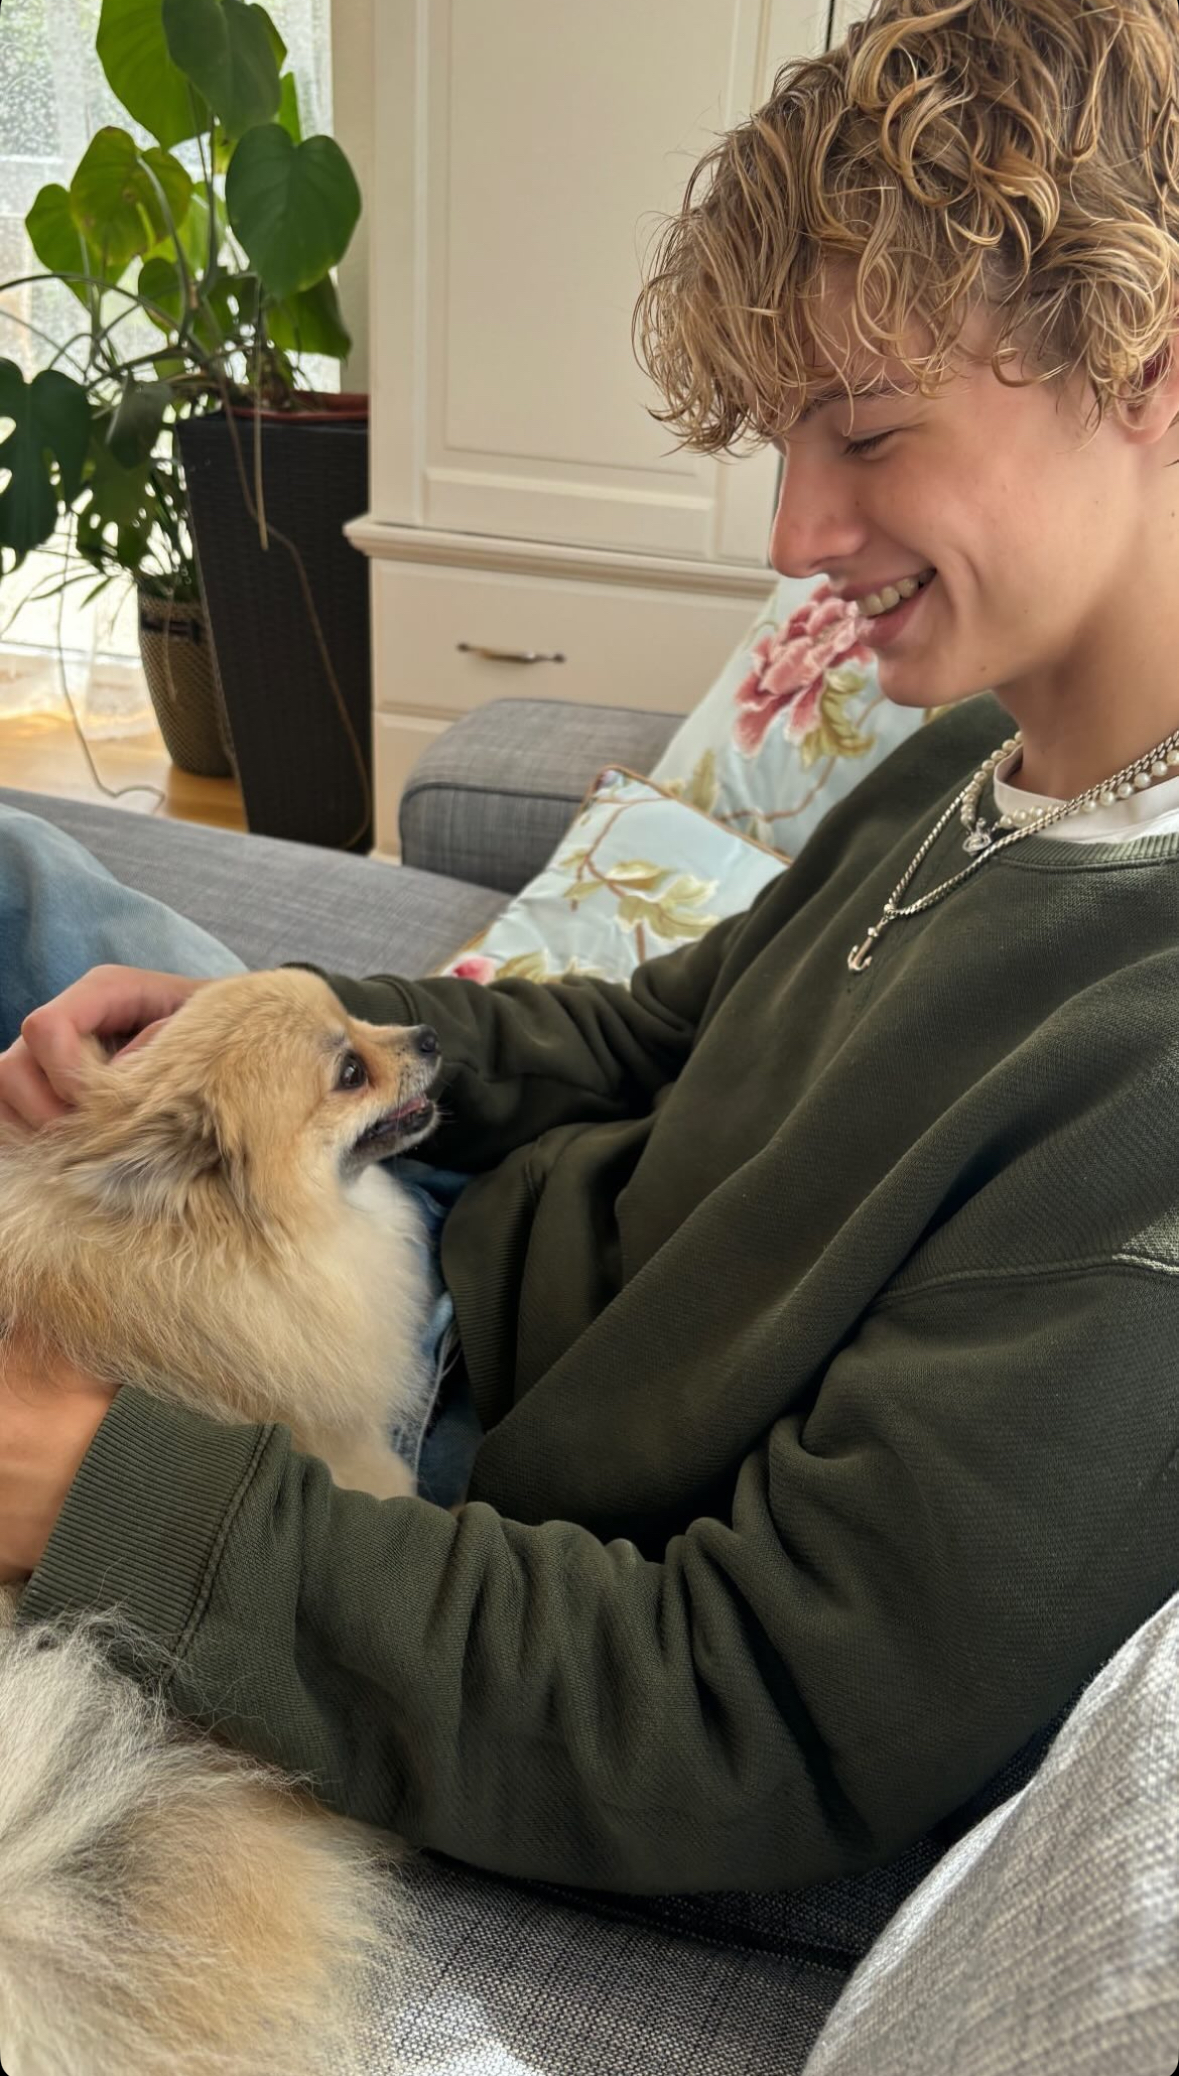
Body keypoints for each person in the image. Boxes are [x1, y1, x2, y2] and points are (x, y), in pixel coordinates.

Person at [2, 0, 1178, 1923]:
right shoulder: (978, 755)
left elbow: (745, 1714)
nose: (796, 533)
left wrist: (105, 1491)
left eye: (868, 429)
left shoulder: (1148, 1080)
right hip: (443, 1232)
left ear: (1147, 364)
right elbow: (656, 1030)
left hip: (453, 1478)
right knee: (24, 875)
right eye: (787, 439)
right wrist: (283, 1041)